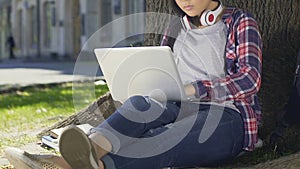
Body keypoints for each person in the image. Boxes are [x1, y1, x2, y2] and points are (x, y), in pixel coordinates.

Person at [23, 0, 262, 168]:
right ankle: (89, 152)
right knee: (140, 103)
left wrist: (194, 89)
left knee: (163, 138)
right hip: (176, 105)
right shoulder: (176, 27)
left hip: (227, 115)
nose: (184, 1)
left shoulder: (240, 21)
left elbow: (249, 79)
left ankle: (74, 166)